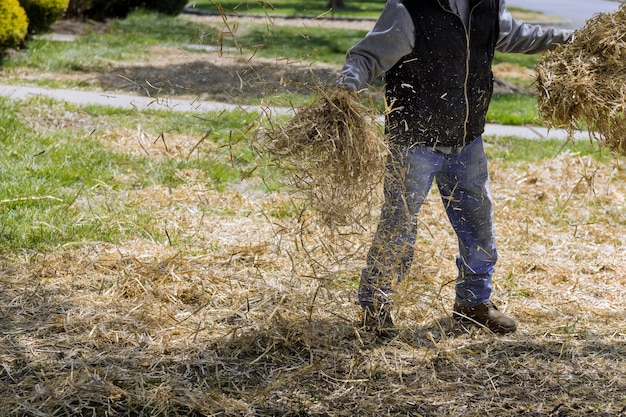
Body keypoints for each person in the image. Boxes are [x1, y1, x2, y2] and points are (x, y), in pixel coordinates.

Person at [337, 0, 574, 335]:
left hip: (466, 139)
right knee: (398, 228)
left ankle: (473, 303)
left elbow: (518, 34)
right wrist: (345, 88)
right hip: (414, 140)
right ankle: (376, 308)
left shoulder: (486, 5)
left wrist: (573, 39)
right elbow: (366, 56)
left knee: (479, 227)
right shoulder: (410, 8)